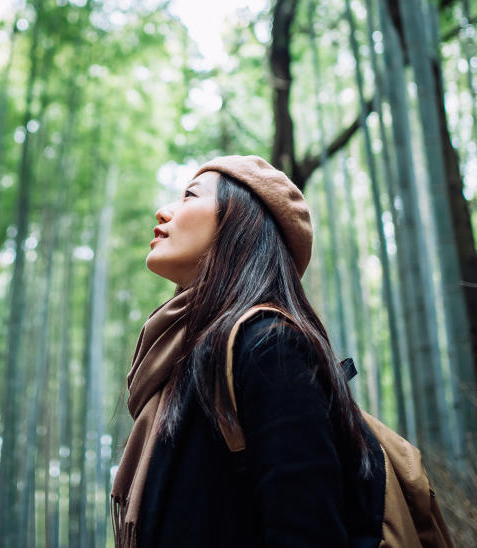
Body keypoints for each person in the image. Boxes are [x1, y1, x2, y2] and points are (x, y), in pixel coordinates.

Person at [111, 155, 385, 547]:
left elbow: (307, 534)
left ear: (239, 221)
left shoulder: (269, 348)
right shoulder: (179, 368)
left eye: (189, 196)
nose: (164, 210)